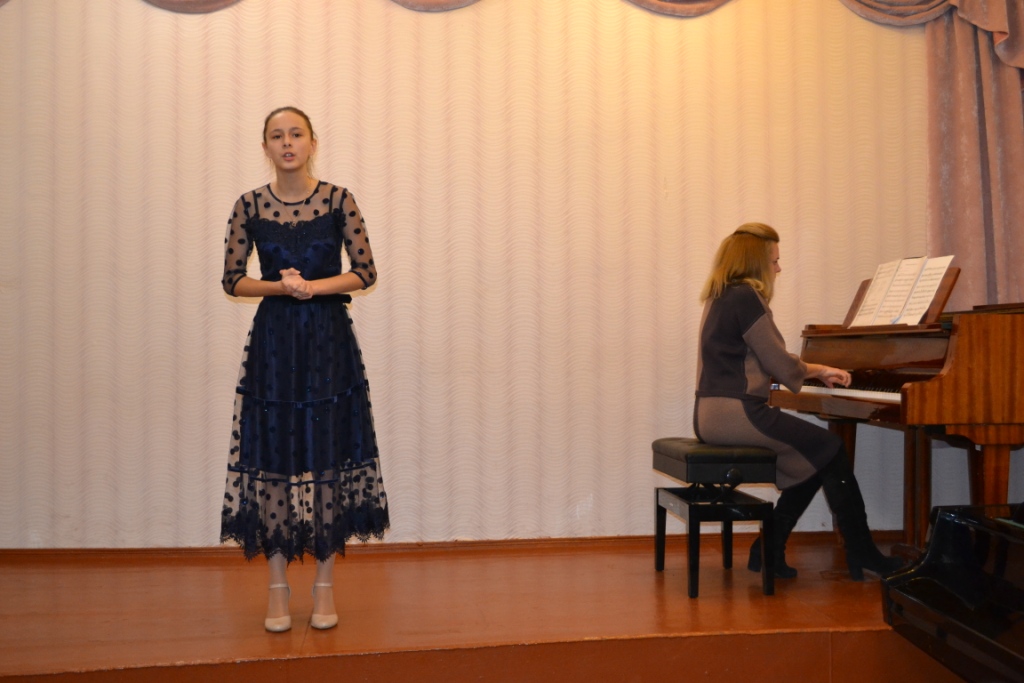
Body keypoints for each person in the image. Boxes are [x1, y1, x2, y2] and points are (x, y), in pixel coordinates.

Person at [219, 106, 389, 631]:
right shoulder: (248, 205)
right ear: (265, 147)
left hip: (327, 342)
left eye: (296, 134)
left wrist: (313, 287)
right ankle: (276, 587)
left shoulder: (339, 200)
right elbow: (232, 280)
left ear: (313, 142)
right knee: (273, 460)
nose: (287, 143)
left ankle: (323, 586)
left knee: (327, 459)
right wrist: (280, 286)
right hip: (274, 344)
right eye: (277, 136)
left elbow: (365, 271)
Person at [693, 223, 903, 581]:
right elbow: (778, 361)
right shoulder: (746, 297)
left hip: (711, 413)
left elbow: (753, 363)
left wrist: (806, 373)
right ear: (756, 262)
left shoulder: (721, 295)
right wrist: (819, 370)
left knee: (814, 454)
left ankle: (770, 548)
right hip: (737, 412)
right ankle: (862, 551)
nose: (778, 268)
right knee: (829, 448)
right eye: (774, 260)